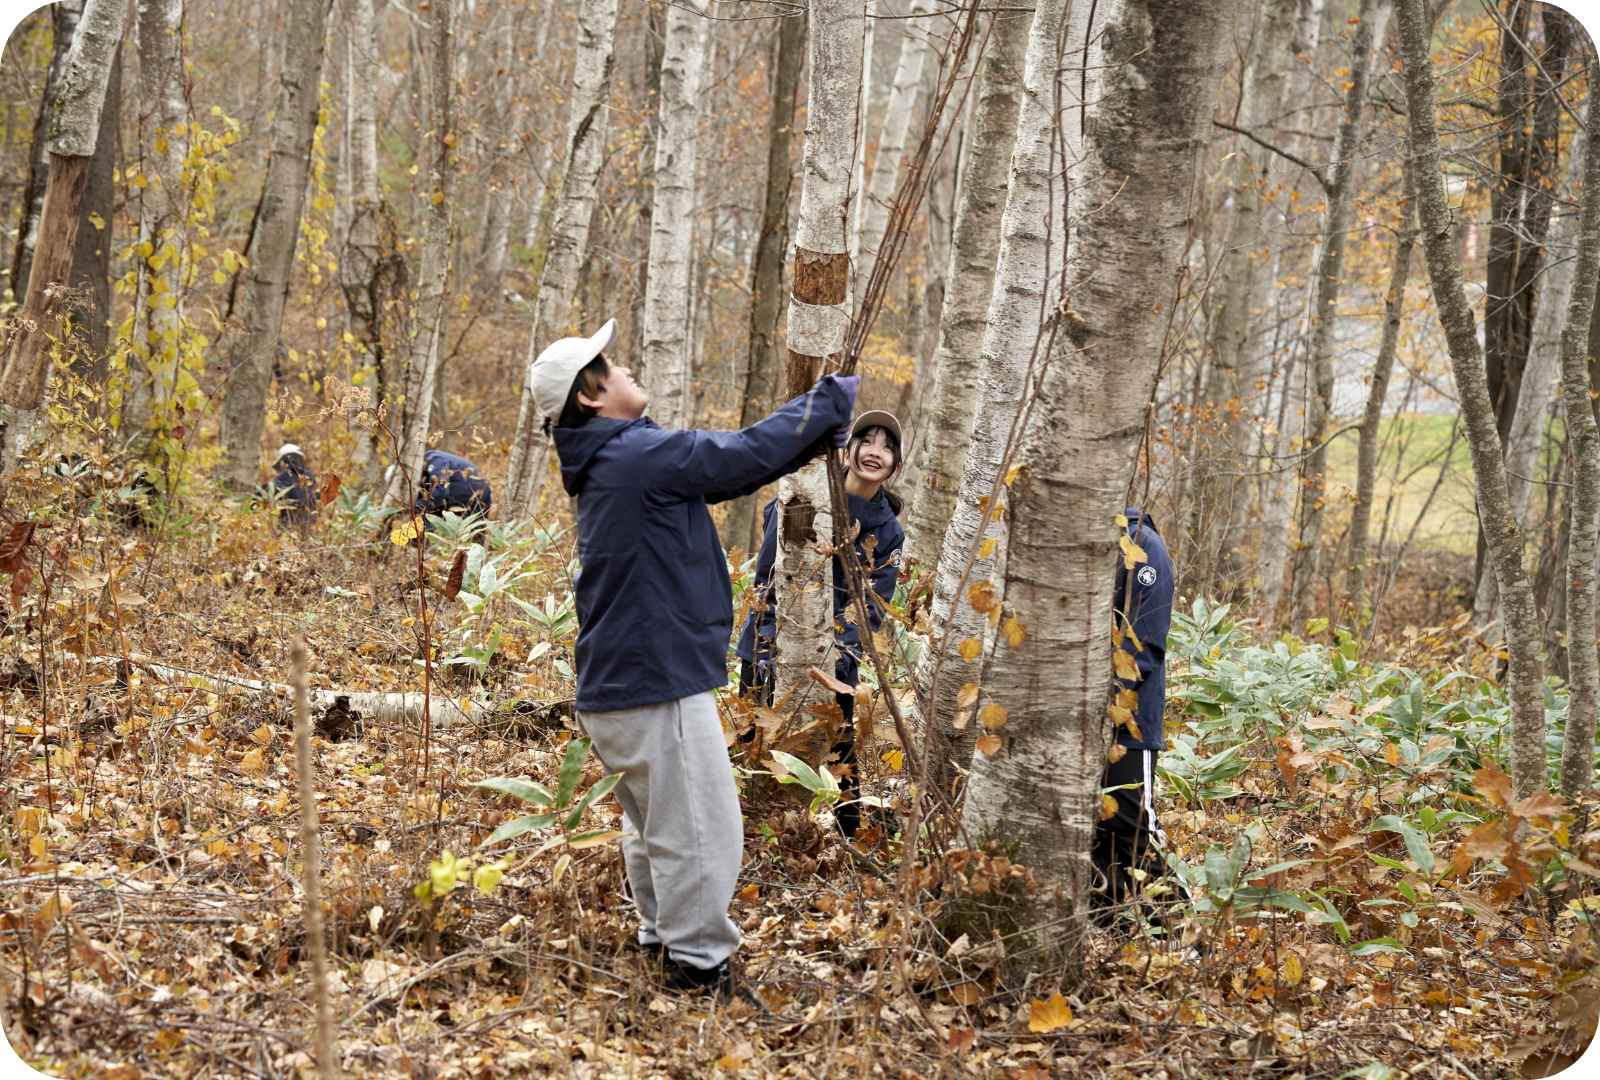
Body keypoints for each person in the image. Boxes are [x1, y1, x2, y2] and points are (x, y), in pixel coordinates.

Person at [531, 317, 857, 997]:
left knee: (657, 828)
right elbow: (737, 456)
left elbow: (735, 465)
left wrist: (809, 431)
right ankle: (699, 968)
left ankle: (665, 942)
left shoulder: (615, 462)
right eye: (612, 367)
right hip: (653, 681)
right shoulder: (633, 457)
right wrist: (826, 406)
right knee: (702, 827)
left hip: (622, 683)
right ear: (591, 397)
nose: (625, 371)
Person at [735, 411, 907, 838]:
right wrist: (769, 644)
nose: (875, 452)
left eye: (887, 447)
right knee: (749, 744)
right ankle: (743, 831)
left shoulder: (888, 532)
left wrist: (836, 659)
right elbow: (768, 578)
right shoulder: (805, 495)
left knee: (841, 752)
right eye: (867, 441)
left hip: (837, 663)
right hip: (767, 646)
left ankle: (851, 838)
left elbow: (873, 606)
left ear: (896, 466)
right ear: (848, 451)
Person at [1091, 507, 1175, 922]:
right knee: (1095, 836)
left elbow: (1146, 641)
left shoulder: (1144, 545)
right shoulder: (1075, 536)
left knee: (1133, 826)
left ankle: (1181, 932)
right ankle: (1113, 930)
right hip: (1078, 721)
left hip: (1129, 724)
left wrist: (1109, 701)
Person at [270, 443, 318, 530]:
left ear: (283, 461)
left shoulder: (280, 479)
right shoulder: (310, 477)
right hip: (309, 526)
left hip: (287, 527)